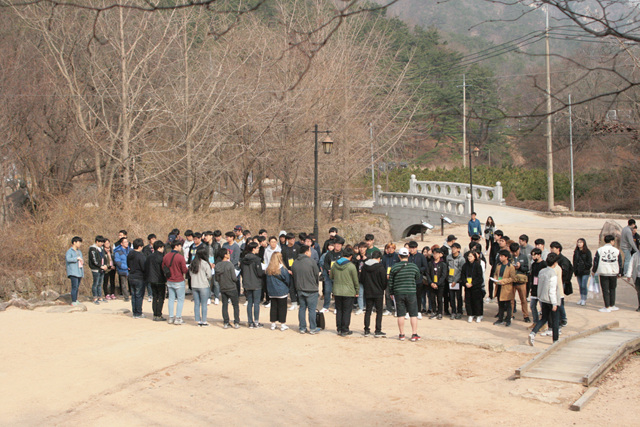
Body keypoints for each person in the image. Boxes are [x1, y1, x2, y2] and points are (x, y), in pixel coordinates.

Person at [528, 253, 563, 345]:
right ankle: (555, 340)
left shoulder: (542, 271)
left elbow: (539, 285)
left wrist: (540, 296)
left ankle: (533, 333)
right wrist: (554, 303)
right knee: (555, 320)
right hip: (551, 300)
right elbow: (552, 290)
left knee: (544, 318)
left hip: (543, 298)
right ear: (555, 263)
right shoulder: (553, 274)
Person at [389, 248, 422, 342]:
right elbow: (418, 276)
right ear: (408, 256)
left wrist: (391, 292)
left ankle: (402, 334)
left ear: (399, 256)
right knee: (413, 314)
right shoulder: (413, 266)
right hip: (411, 291)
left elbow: (391, 281)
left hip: (398, 292)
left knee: (400, 314)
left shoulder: (394, 267)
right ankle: (414, 334)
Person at [330, 247, 359, 336]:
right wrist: (357, 290)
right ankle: (345, 329)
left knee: (339, 310)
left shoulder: (335, 264)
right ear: (351, 256)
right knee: (346, 311)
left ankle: (339, 329)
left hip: (337, 291)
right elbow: (355, 280)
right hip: (349, 292)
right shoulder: (351, 266)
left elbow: (331, 276)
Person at [292, 245, 321, 334]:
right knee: (312, 309)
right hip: (311, 289)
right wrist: (316, 285)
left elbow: (294, 275)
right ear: (306, 252)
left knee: (302, 308)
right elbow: (317, 275)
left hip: (300, 288)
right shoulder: (311, 262)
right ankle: (312, 328)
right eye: (310, 251)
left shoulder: (295, 262)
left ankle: (302, 328)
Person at [360, 250, 387, 337]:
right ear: (379, 258)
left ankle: (366, 329)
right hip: (378, 292)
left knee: (368, 310)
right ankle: (378, 330)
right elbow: (384, 281)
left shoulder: (365, 266)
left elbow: (362, 279)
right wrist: (382, 288)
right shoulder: (381, 268)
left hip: (368, 291)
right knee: (379, 311)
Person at [593, 234, 622, 313]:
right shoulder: (616, 250)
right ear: (612, 241)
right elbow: (619, 262)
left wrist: (593, 270)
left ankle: (607, 306)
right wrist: (620, 273)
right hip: (613, 273)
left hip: (604, 272)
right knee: (612, 289)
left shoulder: (600, 250)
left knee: (605, 290)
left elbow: (596, 261)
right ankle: (612, 305)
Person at [240, 242, 265, 328]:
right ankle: (256, 322)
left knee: (249, 303)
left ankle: (250, 322)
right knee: (256, 303)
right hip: (256, 283)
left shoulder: (244, 259)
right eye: (257, 248)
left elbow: (242, 272)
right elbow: (259, 273)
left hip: (247, 283)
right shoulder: (256, 259)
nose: (258, 249)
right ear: (253, 249)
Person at [163, 240, 188, 325]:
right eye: (180, 246)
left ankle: (170, 317)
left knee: (171, 299)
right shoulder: (180, 257)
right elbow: (184, 270)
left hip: (169, 280)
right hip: (179, 280)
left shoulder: (166, 256)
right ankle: (178, 318)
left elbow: (163, 266)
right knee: (180, 300)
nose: (181, 247)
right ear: (176, 246)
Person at [215, 248, 241, 328]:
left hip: (223, 287)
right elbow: (234, 278)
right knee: (235, 305)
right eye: (228, 253)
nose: (229, 254)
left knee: (224, 305)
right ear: (225, 255)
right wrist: (236, 279)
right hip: (231, 287)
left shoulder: (218, 265)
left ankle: (226, 322)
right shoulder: (230, 265)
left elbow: (216, 279)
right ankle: (236, 322)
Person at [265, 252, 291, 331]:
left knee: (273, 307)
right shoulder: (282, 269)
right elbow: (287, 280)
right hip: (281, 291)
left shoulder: (268, 269)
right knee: (282, 308)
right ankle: (282, 324)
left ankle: (273, 324)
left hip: (272, 291)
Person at [550, 241, 572, 327]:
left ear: (558, 249)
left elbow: (566, 272)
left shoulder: (563, 260)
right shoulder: (552, 258)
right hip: (553, 283)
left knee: (559, 302)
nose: (551, 250)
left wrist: (563, 281)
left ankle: (563, 318)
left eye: (553, 248)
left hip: (560, 283)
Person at [190, 245, 212, 326]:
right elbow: (209, 275)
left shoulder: (193, 263)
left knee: (196, 303)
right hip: (203, 285)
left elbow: (190, 273)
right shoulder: (205, 263)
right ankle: (204, 321)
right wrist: (206, 279)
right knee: (204, 304)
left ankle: (198, 320)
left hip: (194, 285)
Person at [145, 240, 167, 321]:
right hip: (160, 279)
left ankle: (155, 314)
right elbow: (164, 269)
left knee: (155, 297)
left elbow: (146, 268)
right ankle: (159, 314)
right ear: (160, 248)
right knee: (161, 297)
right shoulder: (162, 257)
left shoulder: (149, 257)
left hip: (151, 279)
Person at [493, 249, 516, 327]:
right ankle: (500, 318)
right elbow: (496, 273)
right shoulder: (499, 265)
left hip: (507, 288)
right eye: (500, 256)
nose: (500, 258)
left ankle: (508, 319)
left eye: (502, 256)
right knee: (500, 304)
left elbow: (512, 278)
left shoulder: (511, 267)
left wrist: (503, 281)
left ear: (506, 257)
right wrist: (495, 279)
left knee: (508, 305)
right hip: (499, 286)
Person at [460, 250, 484, 322]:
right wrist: (465, 283)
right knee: (468, 301)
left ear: (474, 257)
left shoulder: (477, 265)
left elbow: (479, 277)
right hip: (467, 286)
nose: (469, 258)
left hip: (476, 287)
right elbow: (463, 275)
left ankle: (478, 315)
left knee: (477, 301)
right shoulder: (465, 265)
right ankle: (470, 314)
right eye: (468, 256)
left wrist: (472, 283)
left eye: (471, 256)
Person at [323, 235, 344, 312]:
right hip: (329, 276)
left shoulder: (343, 254)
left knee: (337, 292)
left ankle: (336, 307)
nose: (337, 246)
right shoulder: (329, 254)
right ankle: (326, 306)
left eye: (339, 244)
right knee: (327, 291)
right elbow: (325, 263)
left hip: (339, 277)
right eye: (336, 244)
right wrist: (328, 269)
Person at [408, 240, 429, 319]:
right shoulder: (407, 256)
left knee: (418, 296)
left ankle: (418, 311)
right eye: (410, 248)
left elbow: (425, 266)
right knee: (409, 296)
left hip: (418, 279)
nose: (412, 249)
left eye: (413, 248)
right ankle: (408, 311)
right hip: (409, 280)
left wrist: (418, 270)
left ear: (416, 248)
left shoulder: (421, 256)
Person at [510, 242, 530, 322]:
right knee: (511, 299)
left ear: (519, 249)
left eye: (516, 251)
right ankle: (510, 315)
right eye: (513, 252)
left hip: (521, 282)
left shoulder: (524, 257)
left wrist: (520, 267)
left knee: (523, 299)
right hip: (512, 281)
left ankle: (526, 315)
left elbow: (527, 269)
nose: (515, 253)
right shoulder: (510, 258)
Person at [426, 248, 447, 319]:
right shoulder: (430, 264)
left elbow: (444, 275)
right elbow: (427, 274)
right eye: (434, 253)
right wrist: (431, 283)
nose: (435, 255)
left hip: (440, 285)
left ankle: (440, 312)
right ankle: (434, 311)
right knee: (432, 298)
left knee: (439, 299)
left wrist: (437, 284)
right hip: (431, 284)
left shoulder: (443, 264)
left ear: (440, 254)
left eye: (437, 253)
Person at [528, 248, 547, 325]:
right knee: (532, 306)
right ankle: (535, 322)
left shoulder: (544, 264)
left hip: (542, 289)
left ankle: (544, 323)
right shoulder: (533, 264)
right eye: (532, 255)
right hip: (534, 288)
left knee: (543, 307)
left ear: (539, 255)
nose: (533, 257)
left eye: (534, 255)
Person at [446, 243, 465, 319]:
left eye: (455, 248)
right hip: (450, 280)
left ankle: (459, 311)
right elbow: (447, 267)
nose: (453, 249)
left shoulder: (461, 259)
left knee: (459, 296)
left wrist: (455, 280)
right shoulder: (448, 257)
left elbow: (461, 271)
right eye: (452, 248)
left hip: (458, 281)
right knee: (451, 297)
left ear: (458, 249)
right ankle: (453, 311)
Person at [281, 233, 299, 310]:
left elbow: (299, 259)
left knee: (298, 287)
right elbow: (282, 261)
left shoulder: (297, 247)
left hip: (297, 271)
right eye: (291, 239)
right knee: (291, 287)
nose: (293, 240)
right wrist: (287, 270)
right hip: (288, 271)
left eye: (294, 239)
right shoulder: (284, 249)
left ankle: (300, 302)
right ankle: (293, 302)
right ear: (287, 240)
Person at [88, 235, 107, 305]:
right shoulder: (92, 249)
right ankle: (95, 297)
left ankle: (100, 297)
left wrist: (105, 265)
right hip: (96, 269)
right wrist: (100, 266)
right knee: (95, 283)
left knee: (100, 283)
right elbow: (94, 260)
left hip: (102, 268)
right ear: (97, 242)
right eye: (101, 242)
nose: (102, 244)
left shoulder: (101, 248)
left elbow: (104, 258)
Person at [573, 238, 593, 306]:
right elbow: (574, 261)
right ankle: (581, 298)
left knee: (584, 285)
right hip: (578, 271)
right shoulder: (576, 251)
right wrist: (575, 269)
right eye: (578, 242)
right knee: (580, 285)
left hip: (585, 271)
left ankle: (584, 298)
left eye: (581, 242)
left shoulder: (587, 251)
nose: (579, 244)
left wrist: (586, 267)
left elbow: (589, 262)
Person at [65, 236, 84, 306]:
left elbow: (81, 259)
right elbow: (68, 259)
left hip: (79, 271)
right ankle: (73, 301)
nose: (80, 244)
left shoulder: (79, 251)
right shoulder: (69, 251)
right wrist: (76, 258)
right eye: (79, 242)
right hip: (73, 272)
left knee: (77, 287)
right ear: (74, 243)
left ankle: (76, 299)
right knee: (74, 286)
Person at [382, 243, 399, 316]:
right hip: (387, 278)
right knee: (387, 294)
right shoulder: (385, 257)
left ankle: (397, 309)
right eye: (389, 248)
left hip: (395, 278)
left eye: (392, 248)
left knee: (396, 294)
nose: (390, 249)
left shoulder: (397, 256)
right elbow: (382, 267)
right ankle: (388, 309)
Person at [142, 234, 156, 302]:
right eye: (152, 239)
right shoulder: (146, 248)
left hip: (156, 267)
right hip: (149, 266)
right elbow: (145, 257)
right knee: (149, 282)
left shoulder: (157, 247)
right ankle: (150, 295)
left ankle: (155, 294)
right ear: (149, 240)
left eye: (154, 239)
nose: (153, 240)